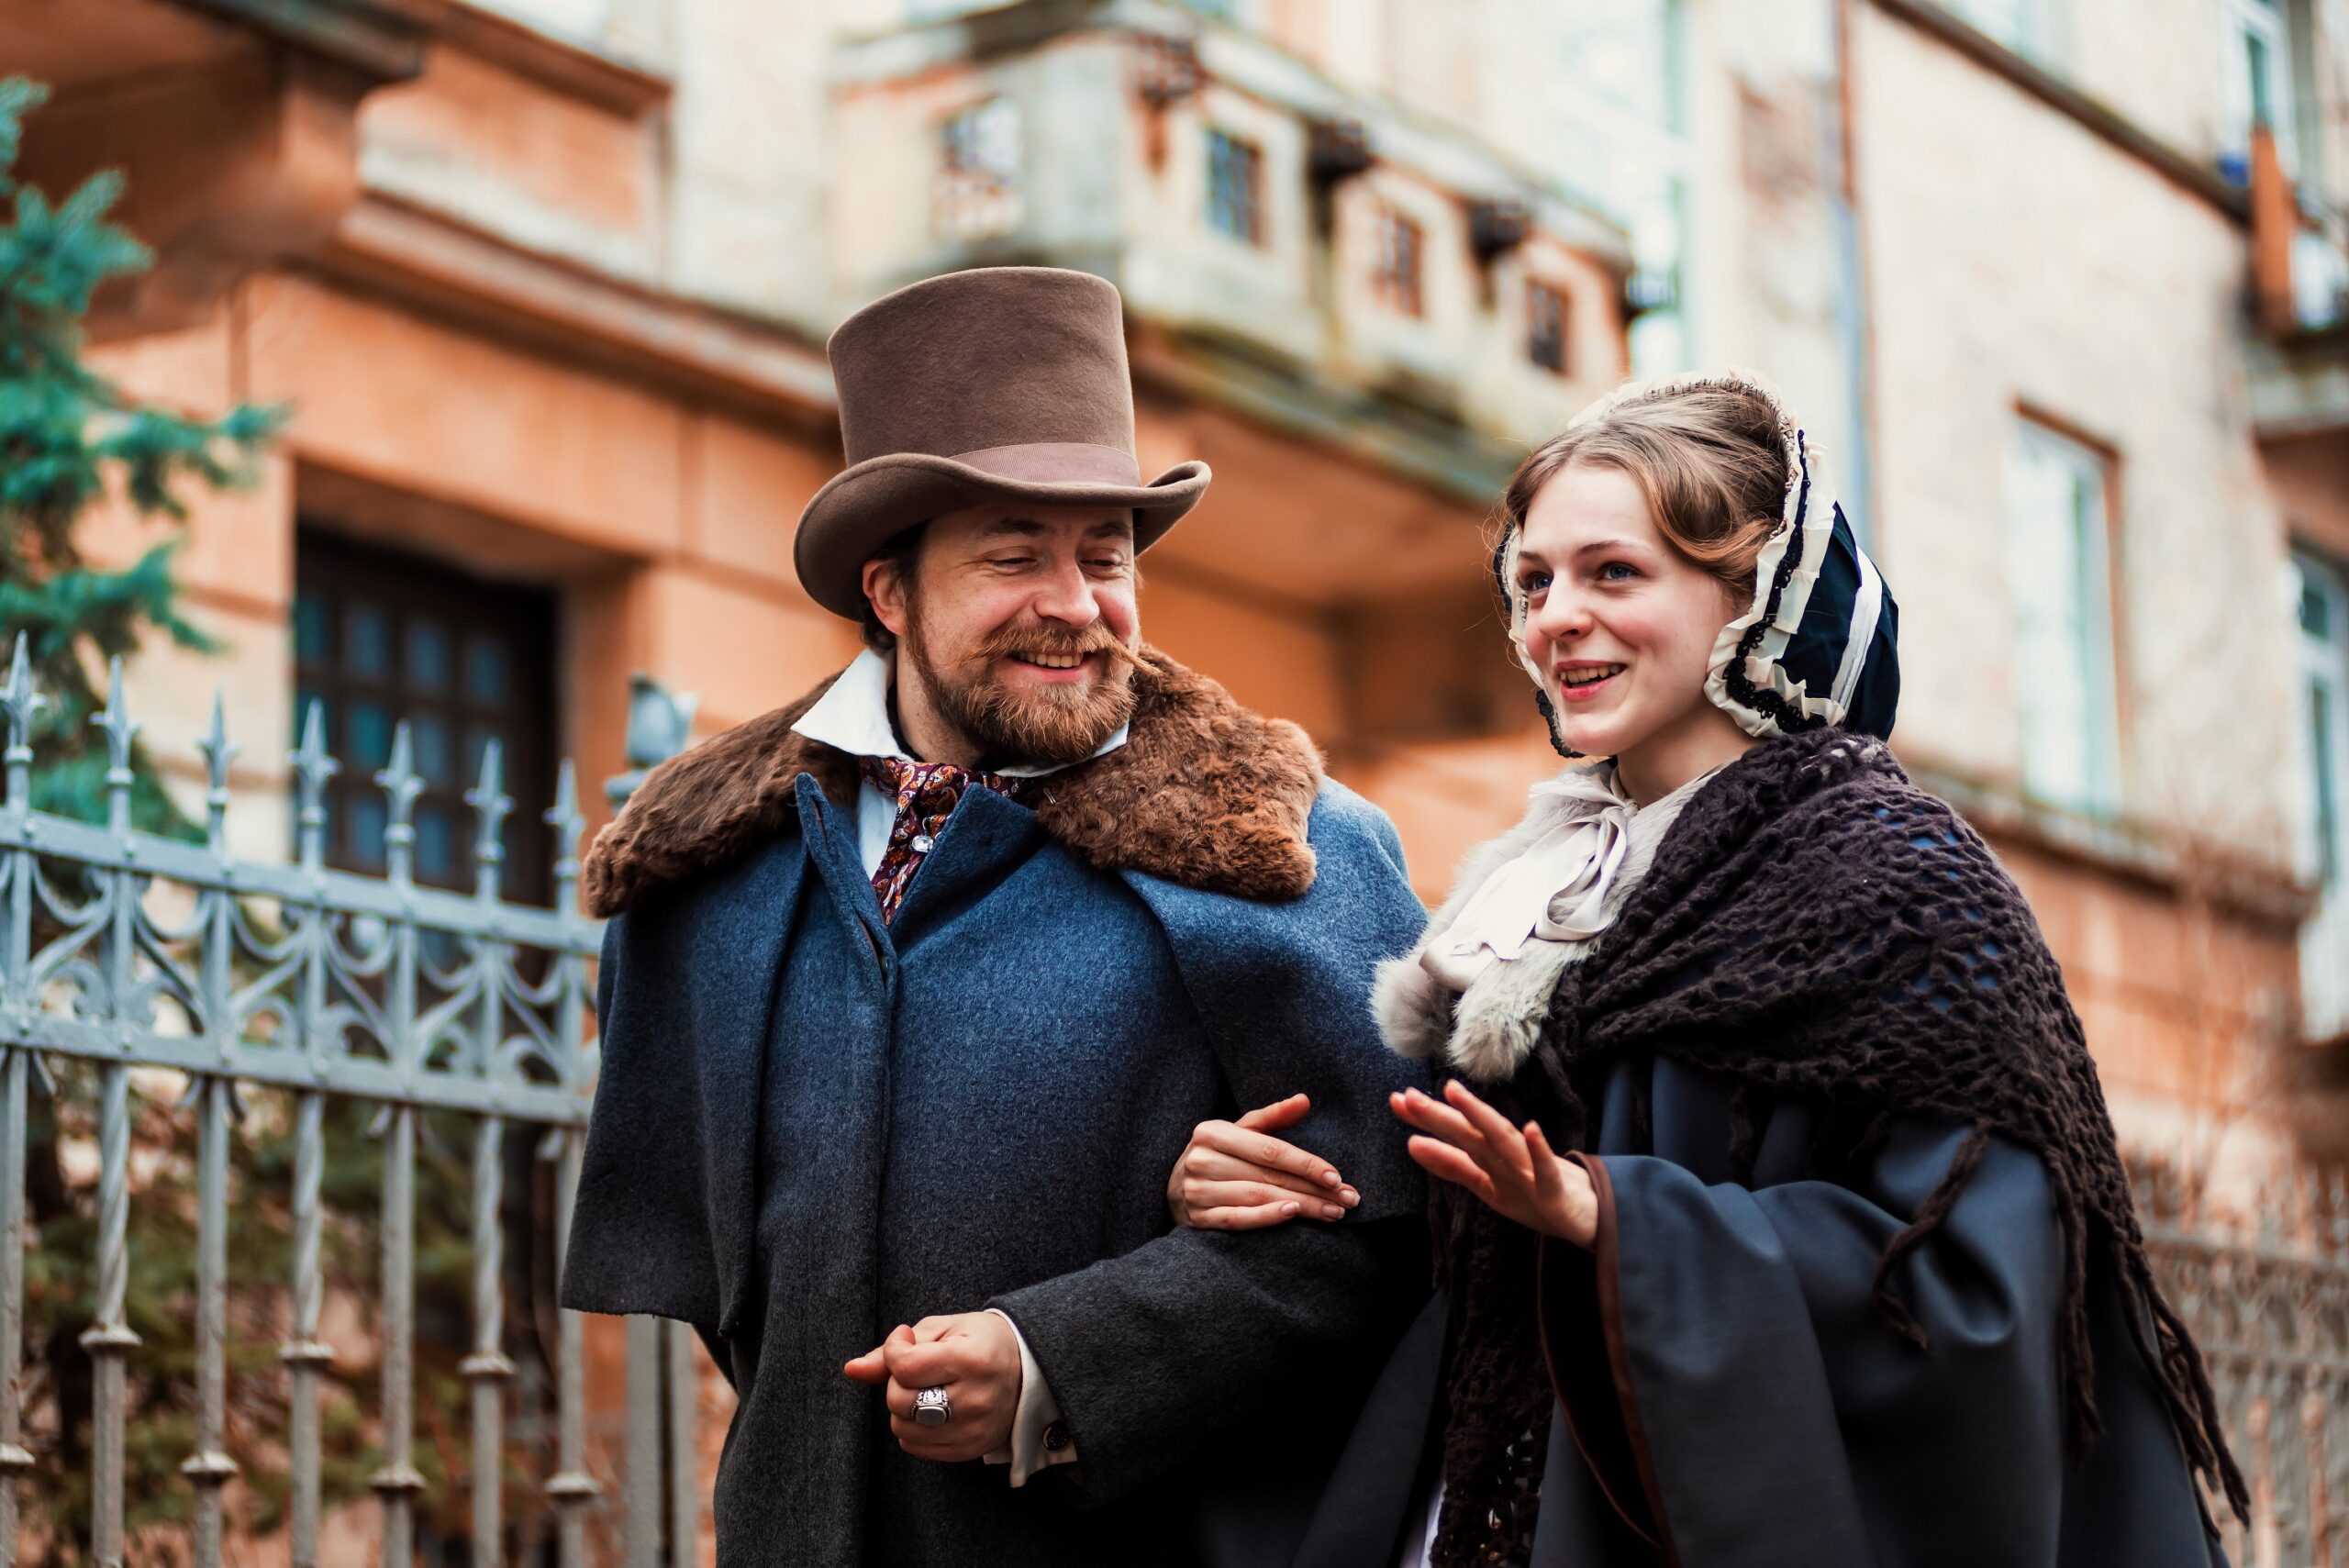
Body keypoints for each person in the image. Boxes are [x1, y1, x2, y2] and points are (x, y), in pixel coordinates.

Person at [1166, 370, 2243, 1567]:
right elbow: (1451, 1253)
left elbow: (1970, 1291)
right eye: (1535, 581)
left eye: (1613, 572)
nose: (1556, 617)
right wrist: (1278, 1186)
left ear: (1754, 599)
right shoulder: (1527, 899)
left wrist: (1624, 1223)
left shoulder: (1895, 881)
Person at [558, 266, 1432, 1567]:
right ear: (890, 592)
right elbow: (735, 1291)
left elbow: (1400, 1242)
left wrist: (1056, 1366)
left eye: (1105, 556)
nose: (1075, 603)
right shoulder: (708, 877)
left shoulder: (1287, 846)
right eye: (1015, 555)